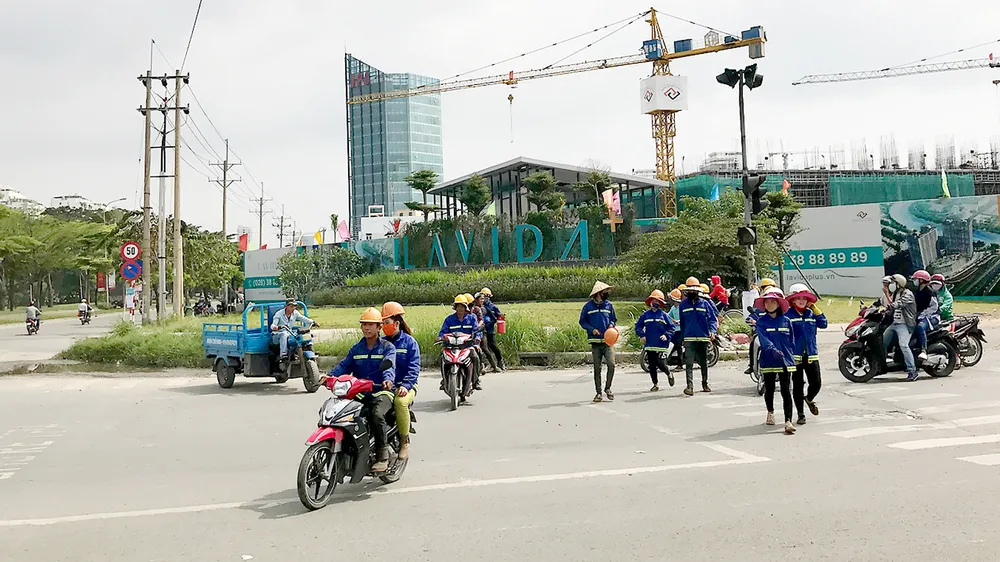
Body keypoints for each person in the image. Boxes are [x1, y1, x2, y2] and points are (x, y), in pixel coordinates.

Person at [327, 307, 396, 472]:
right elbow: (344, 366)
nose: (366, 328)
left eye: (371, 324)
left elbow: (389, 366)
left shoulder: (387, 347)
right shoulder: (356, 349)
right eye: (364, 324)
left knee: (376, 414)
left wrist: (387, 379)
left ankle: (383, 455)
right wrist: (328, 377)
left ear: (379, 327)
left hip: (382, 392)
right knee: (340, 414)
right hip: (359, 392)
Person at [754, 288, 797, 434]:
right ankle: (770, 412)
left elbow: (791, 341)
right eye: (767, 302)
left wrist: (790, 355)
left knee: (786, 390)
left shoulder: (786, 321)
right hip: (769, 359)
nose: (770, 304)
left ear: (778, 304)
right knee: (770, 388)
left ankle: (788, 421)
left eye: (773, 301)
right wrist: (772, 350)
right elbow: (763, 340)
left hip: (785, 360)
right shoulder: (761, 322)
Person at [381, 301, 418, 461]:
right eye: (381, 323)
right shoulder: (380, 342)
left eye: (386, 323)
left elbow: (414, 367)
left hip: (407, 385)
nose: (383, 326)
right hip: (385, 385)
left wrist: (406, 385)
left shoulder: (410, 342)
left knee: (400, 402)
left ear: (397, 323)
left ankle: (404, 442)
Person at [785, 284, 827, 425]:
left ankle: (808, 398)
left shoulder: (811, 314)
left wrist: (816, 310)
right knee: (797, 385)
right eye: (798, 298)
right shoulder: (788, 315)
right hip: (795, 357)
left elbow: (824, 324)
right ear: (793, 300)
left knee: (816, 383)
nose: (801, 301)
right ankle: (800, 414)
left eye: (804, 298)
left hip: (811, 355)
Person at [678, 277, 718, 396]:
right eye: (690, 291)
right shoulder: (683, 305)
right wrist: (683, 337)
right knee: (688, 362)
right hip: (689, 337)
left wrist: (712, 331)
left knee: (703, 362)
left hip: (703, 337)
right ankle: (689, 387)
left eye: (694, 291)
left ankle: (704, 383)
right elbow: (682, 322)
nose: (692, 293)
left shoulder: (705, 303)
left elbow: (712, 319)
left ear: (698, 291)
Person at [580, 281, 617, 402]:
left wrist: (611, 326)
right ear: (599, 293)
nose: (607, 293)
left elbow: (613, 319)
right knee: (597, 368)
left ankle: (608, 388)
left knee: (611, 364)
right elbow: (582, 321)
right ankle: (599, 392)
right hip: (595, 342)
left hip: (608, 342)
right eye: (605, 292)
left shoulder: (609, 305)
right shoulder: (588, 307)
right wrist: (591, 329)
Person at [438, 294, 483, 391]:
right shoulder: (449, 319)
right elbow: (443, 331)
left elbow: (477, 331)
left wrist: (477, 342)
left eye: (462, 307)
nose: (460, 309)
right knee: (442, 356)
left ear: (466, 307)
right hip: (451, 347)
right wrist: (440, 338)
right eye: (458, 307)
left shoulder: (472, 318)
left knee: (475, 357)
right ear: (455, 308)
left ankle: (475, 380)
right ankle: (444, 380)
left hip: (467, 346)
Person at [635, 289, 677, 391]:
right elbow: (638, 326)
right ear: (650, 301)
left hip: (661, 345)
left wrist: (666, 335)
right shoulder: (646, 315)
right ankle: (655, 384)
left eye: (658, 301)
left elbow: (671, 327)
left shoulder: (664, 315)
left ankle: (668, 373)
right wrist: (642, 335)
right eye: (654, 300)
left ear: (661, 303)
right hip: (650, 344)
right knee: (652, 365)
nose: (655, 303)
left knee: (660, 363)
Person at [882, 273, 918, 381]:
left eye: (893, 283)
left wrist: (889, 303)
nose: (891, 284)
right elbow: (887, 303)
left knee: (903, 345)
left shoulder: (908, 294)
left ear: (899, 284)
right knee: (882, 342)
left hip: (905, 324)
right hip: (895, 324)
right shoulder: (895, 293)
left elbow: (897, 304)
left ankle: (912, 370)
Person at [270, 298, 316, 368]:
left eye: (294, 306)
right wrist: (279, 327)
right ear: (286, 306)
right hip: (277, 335)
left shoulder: (295, 313)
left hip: (289, 333)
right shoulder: (279, 314)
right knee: (284, 334)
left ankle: (311, 350)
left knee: (304, 334)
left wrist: (312, 322)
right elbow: (273, 326)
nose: (293, 308)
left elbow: (303, 318)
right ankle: (283, 355)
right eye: (291, 306)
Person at [745, 278, 777, 376]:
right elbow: (750, 317)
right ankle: (752, 365)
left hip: (776, 333)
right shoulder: (760, 307)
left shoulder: (780, 306)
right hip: (760, 333)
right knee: (753, 342)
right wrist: (752, 321)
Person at [911, 270, 939, 361]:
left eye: (916, 279)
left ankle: (924, 350)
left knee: (920, 327)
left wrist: (921, 315)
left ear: (921, 280)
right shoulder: (917, 291)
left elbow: (934, 308)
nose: (914, 281)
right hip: (920, 315)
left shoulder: (929, 292)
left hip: (932, 316)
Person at [480, 287, 506, 372]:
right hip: (482, 331)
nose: (485, 298)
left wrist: (501, 317)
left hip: (490, 330)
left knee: (494, 346)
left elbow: (499, 316)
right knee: (484, 348)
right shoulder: (479, 306)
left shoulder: (493, 307)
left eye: (487, 296)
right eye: (483, 296)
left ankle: (500, 361)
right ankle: (486, 364)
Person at [470, 293, 497, 373]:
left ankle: (494, 365)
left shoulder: (482, 309)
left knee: (484, 347)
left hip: (481, 330)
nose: (482, 300)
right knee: (476, 349)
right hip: (470, 331)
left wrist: (478, 327)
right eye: (481, 299)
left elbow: (483, 319)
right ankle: (480, 366)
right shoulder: (472, 308)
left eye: (483, 299)